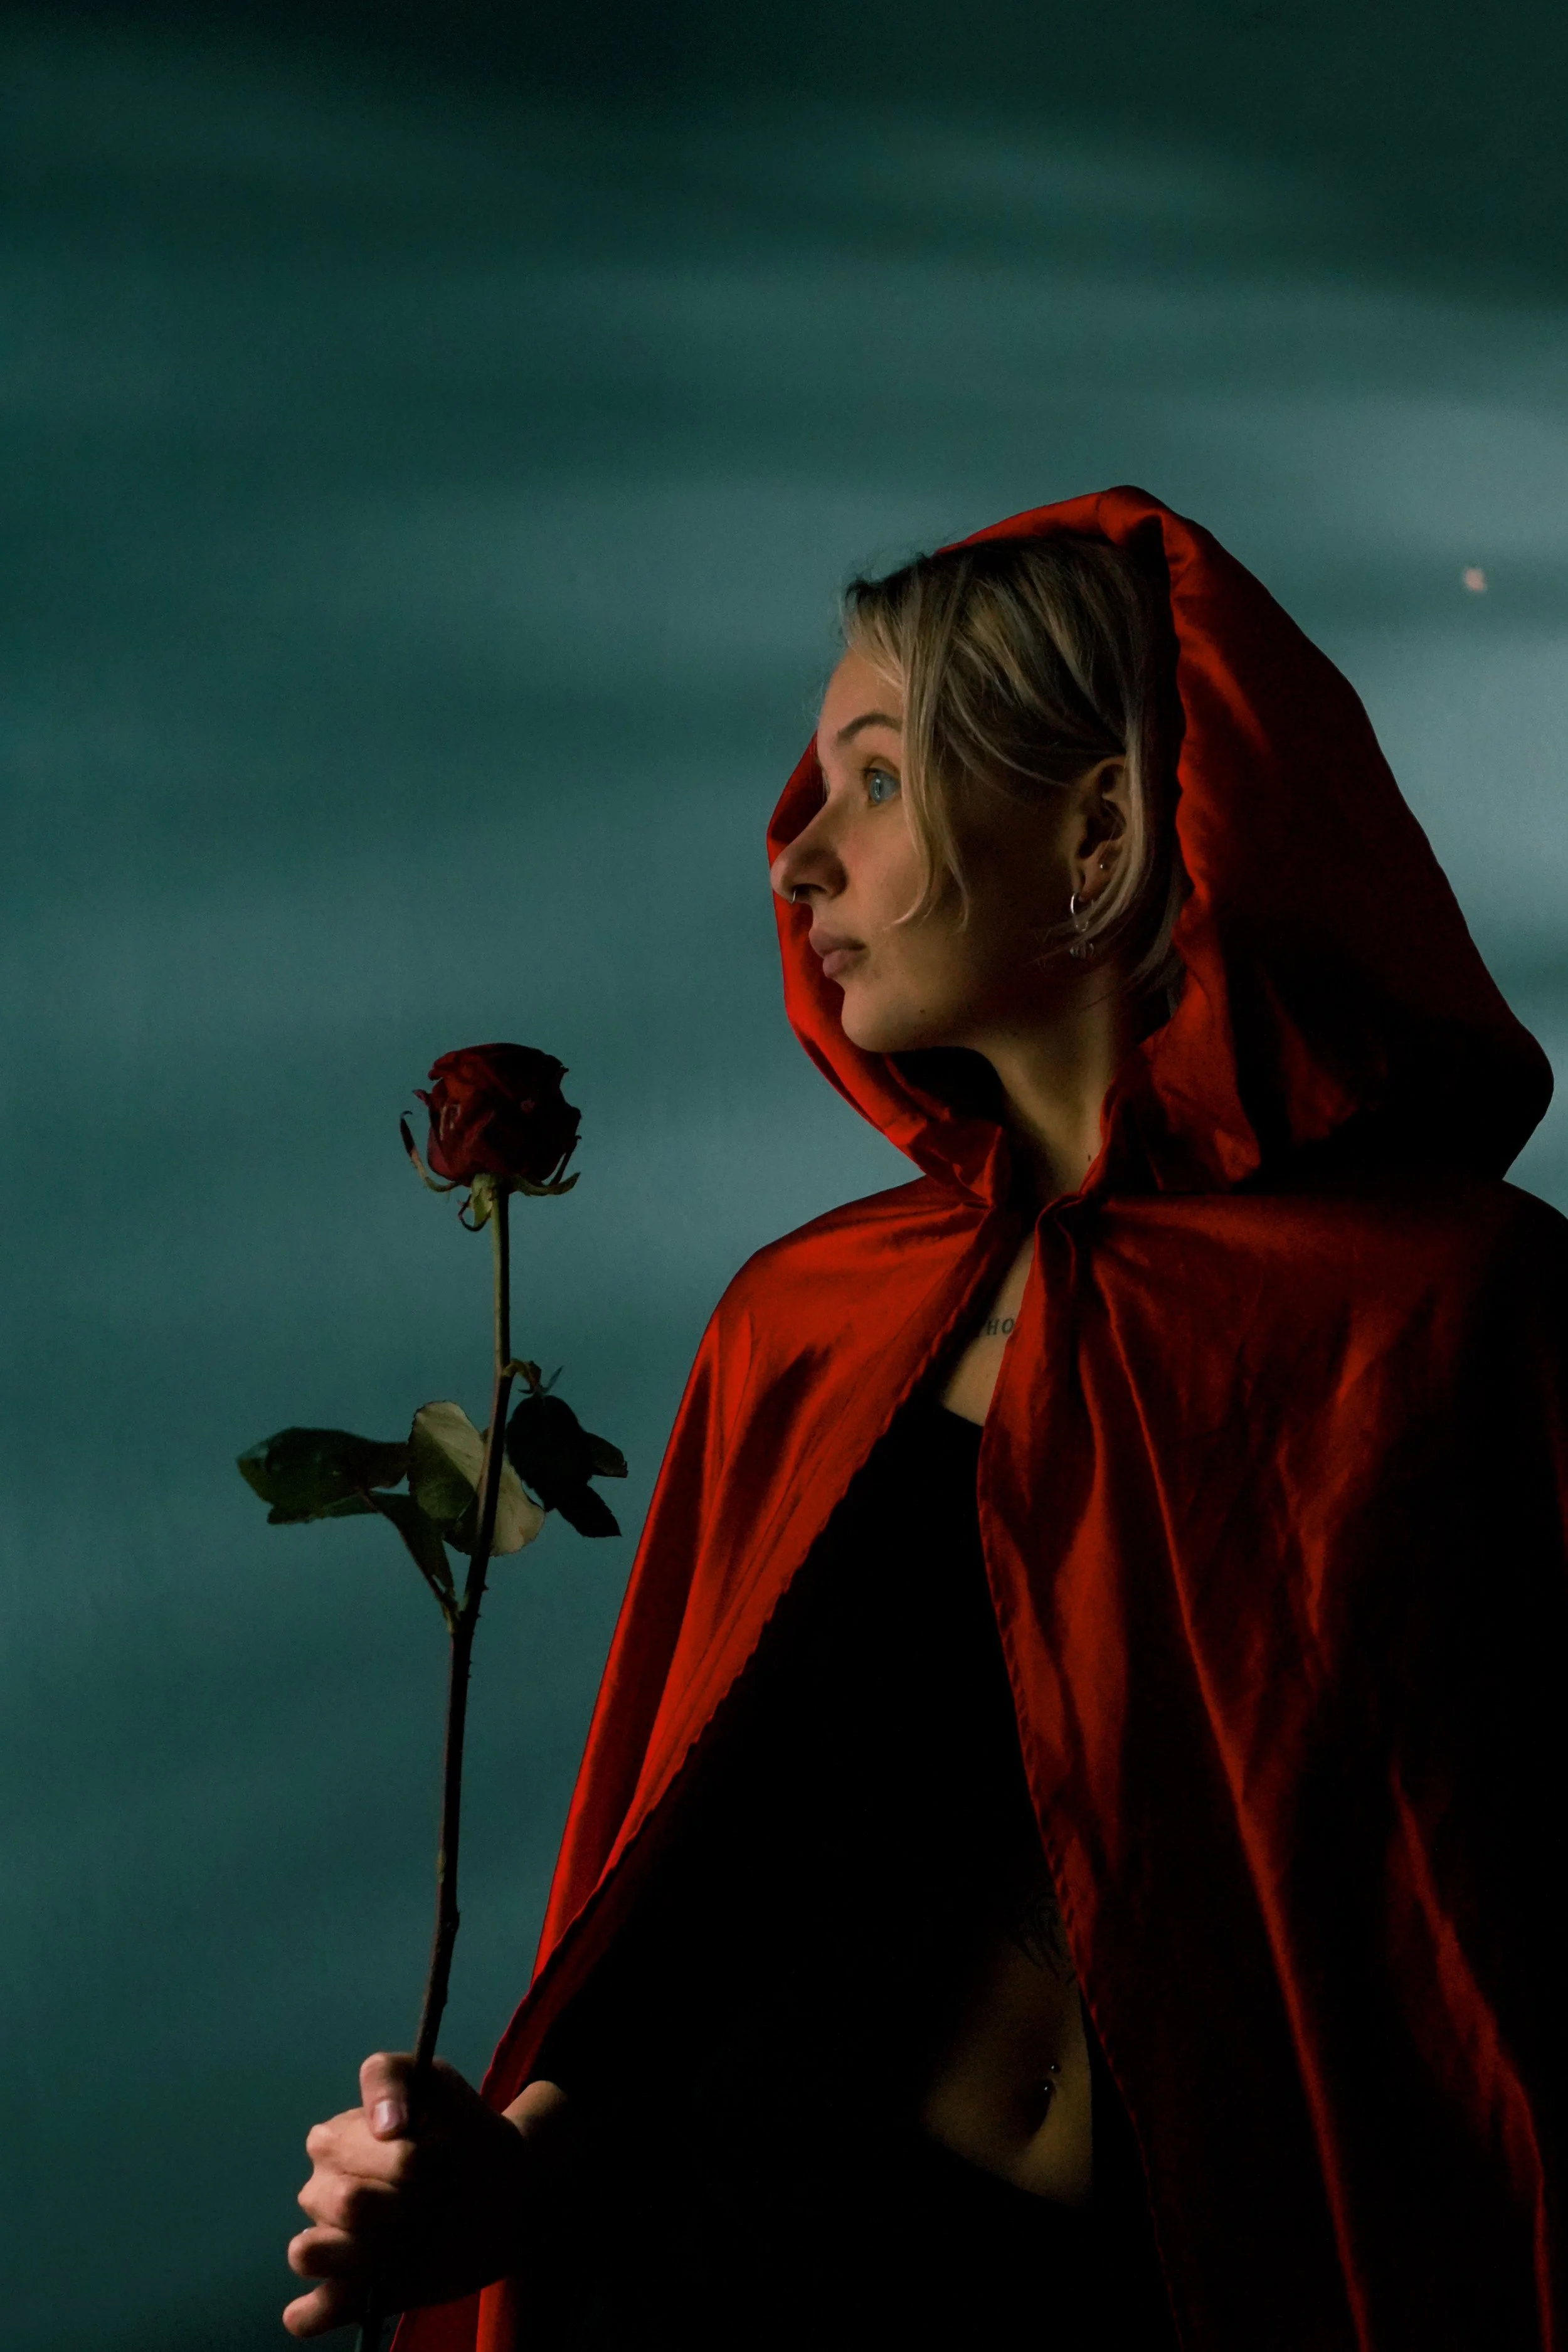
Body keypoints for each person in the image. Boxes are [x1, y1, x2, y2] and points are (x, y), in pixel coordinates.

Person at [285, 487, 1568, 2350]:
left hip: (1215, 2282)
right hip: (747, 2254)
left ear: (1099, 826)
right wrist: (510, 2160)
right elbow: (719, 1886)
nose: (796, 859)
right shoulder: (813, 1318)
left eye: (873, 780)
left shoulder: (1451, 1314)